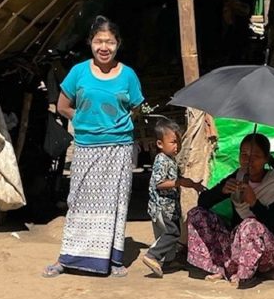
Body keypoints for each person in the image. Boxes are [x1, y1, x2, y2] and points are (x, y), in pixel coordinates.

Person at [43, 16, 144, 278]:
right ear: (90, 42)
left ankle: (114, 260)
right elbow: (64, 106)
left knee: (115, 203)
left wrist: (117, 125)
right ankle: (68, 258)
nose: (104, 47)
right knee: (78, 201)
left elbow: (136, 107)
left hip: (119, 148)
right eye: (99, 41)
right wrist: (82, 120)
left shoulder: (128, 75)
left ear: (118, 44)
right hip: (87, 147)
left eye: (109, 42)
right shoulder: (79, 72)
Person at [187, 133, 274, 287]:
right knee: (196, 214)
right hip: (237, 250)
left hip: (270, 253)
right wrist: (221, 191)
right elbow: (203, 201)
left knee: (250, 225)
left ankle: (244, 275)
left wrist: (254, 203)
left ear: (266, 159)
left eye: (256, 156)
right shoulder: (239, 176)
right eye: (244, 154)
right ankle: (221, 268)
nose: (248, 160)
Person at [141, 119, 205, 277]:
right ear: (160, 144)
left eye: (179, 142)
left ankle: (169, 262)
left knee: (170, 233)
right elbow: (159, 183)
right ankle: (152, 255)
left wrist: (192, 184)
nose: (177, 146)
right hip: (163, 206)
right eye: (173, 142)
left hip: (171, 207)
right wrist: (179, 182)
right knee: (172, 233)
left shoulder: (170, 160)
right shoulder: (161, 160)